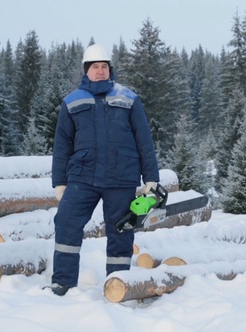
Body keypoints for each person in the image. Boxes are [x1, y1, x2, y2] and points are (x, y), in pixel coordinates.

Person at [46, 44, 159, 296]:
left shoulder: (129, 99)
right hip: (82, 177)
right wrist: (59, 182)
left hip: (122, 178)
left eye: (104, 67)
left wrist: (151, 178)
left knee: (121, 231)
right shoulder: (72, 101)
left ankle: (118, 284)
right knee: (65, 222)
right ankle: (62, 282)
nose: (100, 71)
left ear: (110, 69)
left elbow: (144, 141)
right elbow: (62, 145)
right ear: (86, 71)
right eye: (95, 67)